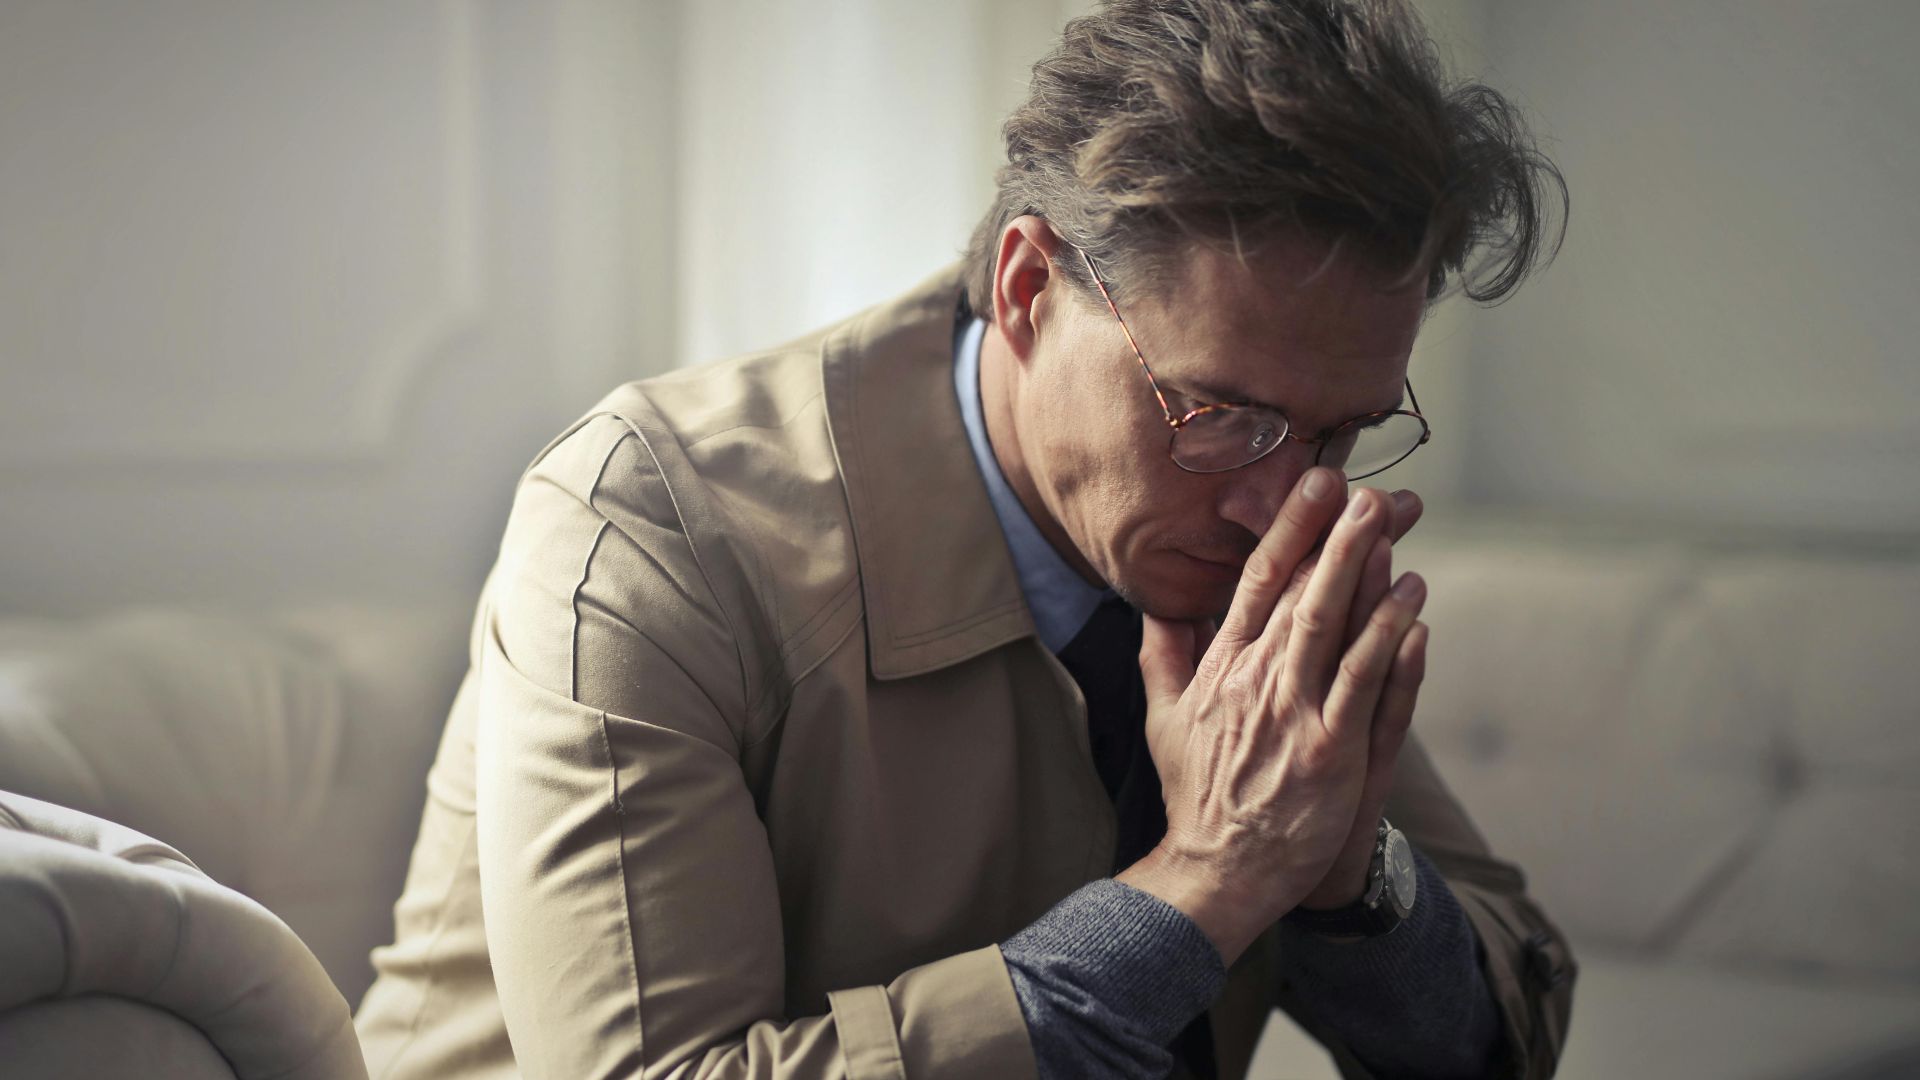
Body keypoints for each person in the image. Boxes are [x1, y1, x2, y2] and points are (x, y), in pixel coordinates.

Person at [354, 1, 1576, 1077]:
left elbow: (1505, 1034)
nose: (1281, 506)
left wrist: (1349, 880)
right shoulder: (649, 527)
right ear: (1029, 289)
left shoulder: (1264, 532)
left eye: (1343, 431)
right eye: (1220, 416)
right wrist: (1209, 883)